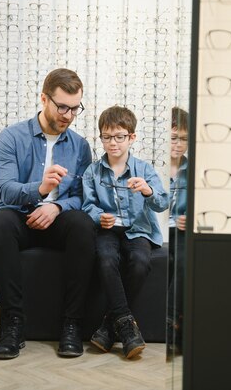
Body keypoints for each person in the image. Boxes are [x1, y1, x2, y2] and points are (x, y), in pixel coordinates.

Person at [0, 68, 96, 360]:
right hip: (21, 215)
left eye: (75, 109)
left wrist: (56, 206)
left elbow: (84, 195)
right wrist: (41, 190)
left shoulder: (81, 146)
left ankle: (71, 324)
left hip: (59, 219)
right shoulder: (11, 137)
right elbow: (6, 191)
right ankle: (12, 324)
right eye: (62, 107)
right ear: (44, 98)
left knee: (84, 225)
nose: (68, 116)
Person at [82, 105, 169, 359]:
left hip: (139, 229)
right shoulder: (92, 171)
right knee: (106, 260)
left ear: (132, 137)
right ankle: (128, 329)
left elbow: (162, 202)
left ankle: (110, 325)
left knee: (140, 261)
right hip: (108, 231)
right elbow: (87, 205)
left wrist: (148, 190)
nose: (113, 143)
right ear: (101, 138)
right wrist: (100, 216)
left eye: (119, 136)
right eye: (107, 137)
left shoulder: (144, 170)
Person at [167, 106, 189, 356]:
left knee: (183, 258)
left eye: (184, 138)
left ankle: (172, 322)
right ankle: (172, 323)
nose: (179, 144)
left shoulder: (191, 170)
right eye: (174, 138)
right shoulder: (151, 168)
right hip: (156, 232)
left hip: (179, 232)